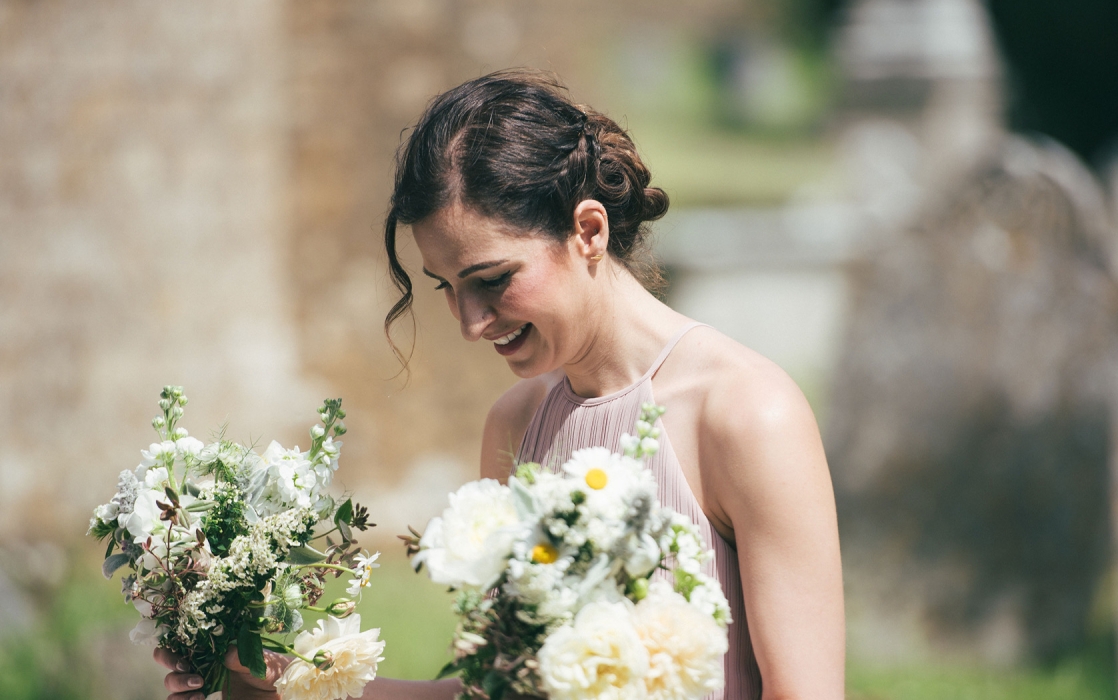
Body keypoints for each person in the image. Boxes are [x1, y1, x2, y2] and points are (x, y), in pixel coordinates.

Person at [157, 69, 844, 700]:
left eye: (492, 281)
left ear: (588, 230)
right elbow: (495, 692)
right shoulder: (515, 425)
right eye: (447, 288)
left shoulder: (748, 414)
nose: (470, 323)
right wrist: (283, 685)